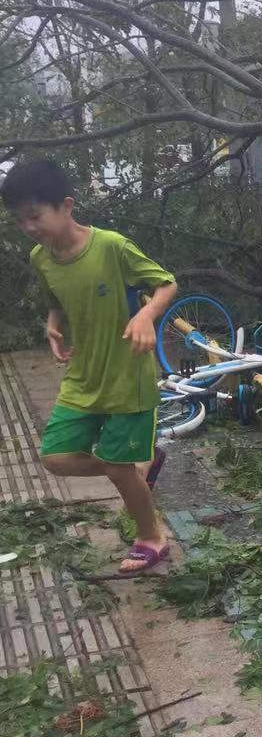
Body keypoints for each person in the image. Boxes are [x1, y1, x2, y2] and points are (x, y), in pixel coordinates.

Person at [1, 159, 178, 573]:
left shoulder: (111, 246)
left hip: (126, 376)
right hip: (83, 377)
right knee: (56, 458)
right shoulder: (40, 257)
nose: (28, 227)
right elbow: (56, 297)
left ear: (66, 205)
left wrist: (145, 315)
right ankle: (138, 466)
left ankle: (152, 537)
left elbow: (166, 283)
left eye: (35, 216)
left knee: (118, 469)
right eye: (19, 220)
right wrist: (53, 323)